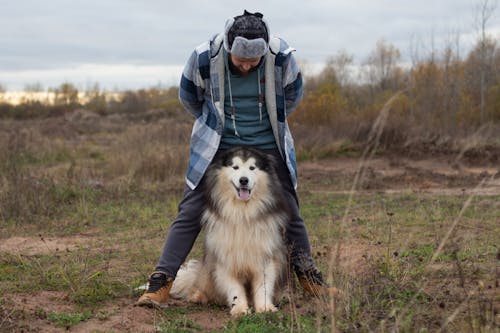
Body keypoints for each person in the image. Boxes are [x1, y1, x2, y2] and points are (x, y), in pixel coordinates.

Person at [137, 10, 335, 308]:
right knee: (190, 211)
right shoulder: (203, 57)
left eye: (252, 62)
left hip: (268, 147)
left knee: (290, 212)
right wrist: (217, 127)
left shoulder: (281, 57)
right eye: (240, 60)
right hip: (218, 147)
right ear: (229, 48)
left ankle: (310, 279)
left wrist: (266, 127)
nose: (245, 65)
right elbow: (188, 97)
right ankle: (161, 282)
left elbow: (293, 95)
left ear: (264, 52)